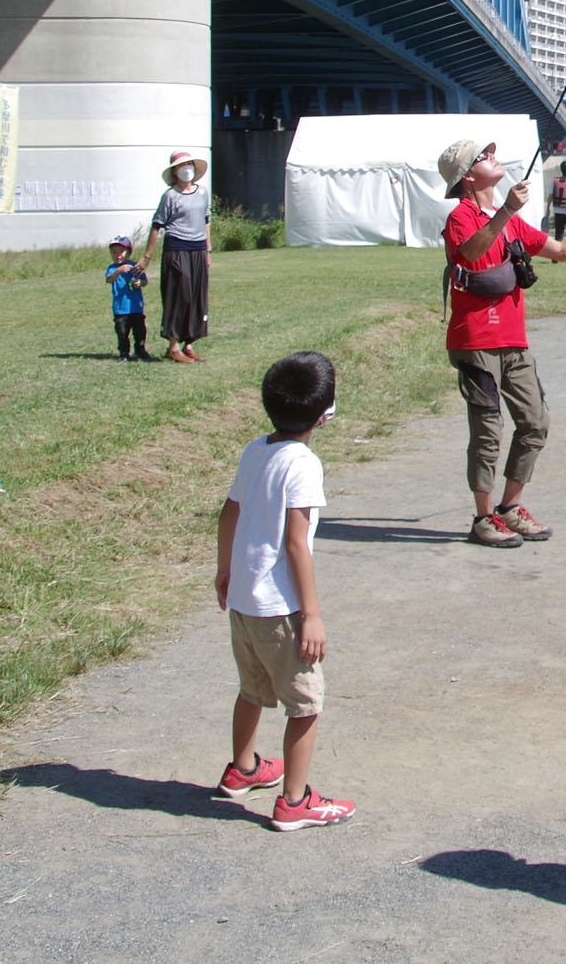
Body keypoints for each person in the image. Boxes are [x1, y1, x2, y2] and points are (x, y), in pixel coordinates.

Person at [438, 138, 566, 548]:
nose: (493, 157)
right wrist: (508, 210)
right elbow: (471, 255)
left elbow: (561, 250)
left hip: (513, 340)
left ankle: (509, 508)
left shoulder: (507, 220)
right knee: (488, 430)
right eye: (483, 156)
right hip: (476, 340)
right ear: (468, 176)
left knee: (535, 422)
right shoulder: (462, 216)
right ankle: (482, 518)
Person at [214, 351, 355, 831]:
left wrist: (223, 571)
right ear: (325, 412)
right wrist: (311, 615)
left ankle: (244, 769)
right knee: (305, 702)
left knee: (251, 688)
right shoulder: (303, 463)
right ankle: (295, 802)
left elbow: (229, 513)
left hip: (245, 600)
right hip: (281, 609)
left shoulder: (256, 450)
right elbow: (298, 543)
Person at [139, 150, 210, 363]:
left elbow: (205, 220)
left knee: (197, 296)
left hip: (198, 249)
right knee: (180, 294)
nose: (186, 168)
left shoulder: (202, 193)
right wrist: (147, 256)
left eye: (189, 164)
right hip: (176, 249)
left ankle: (189, 343)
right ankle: (173, 345)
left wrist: (208, 249)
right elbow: (157, 225)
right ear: (174, 171)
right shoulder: (170, 196)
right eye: (181, 165)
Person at [105, 236, 153, 362]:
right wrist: (118, 271)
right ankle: (124, 353)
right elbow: (109, 279)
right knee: (122, 332)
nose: (117, 255)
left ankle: (140, 349)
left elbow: (145, 281)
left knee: (140, 330)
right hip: (121, 308)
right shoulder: (112, 268)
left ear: (129, 252)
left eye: (121, 251)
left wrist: (140, 283)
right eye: (114, 252)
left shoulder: (135, 266)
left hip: (135, 306)